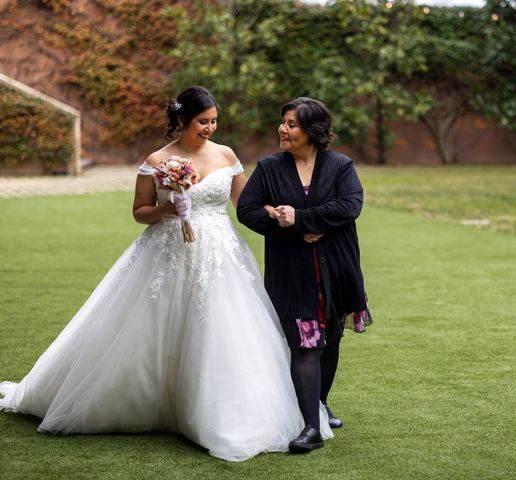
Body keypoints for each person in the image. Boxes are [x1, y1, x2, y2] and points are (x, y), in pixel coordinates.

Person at [0, 86, 332, 462]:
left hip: (221, 253)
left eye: (214, 121)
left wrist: (285, 218)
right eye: (202, 121)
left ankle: (218, 409)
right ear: (181, 121)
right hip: (166, 249)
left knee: (222, 327)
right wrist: (170, 209)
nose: (210, 128)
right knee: (152, 326)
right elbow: (140, 211)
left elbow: (247, 205)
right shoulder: (158, 159)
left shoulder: (226, 155)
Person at [237, 97, 372, 453]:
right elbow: (247, 210)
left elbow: (350, 205)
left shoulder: (341, 165)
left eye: (292, 124)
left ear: (312, 131)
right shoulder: (269, 168)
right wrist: (290, 228)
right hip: (292, 272)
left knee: (330, 340)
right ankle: (310, 426)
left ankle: (321, 404)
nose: (283, 129)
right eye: (282, 122)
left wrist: (300, 217)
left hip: (338, 269)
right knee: (304, 345)